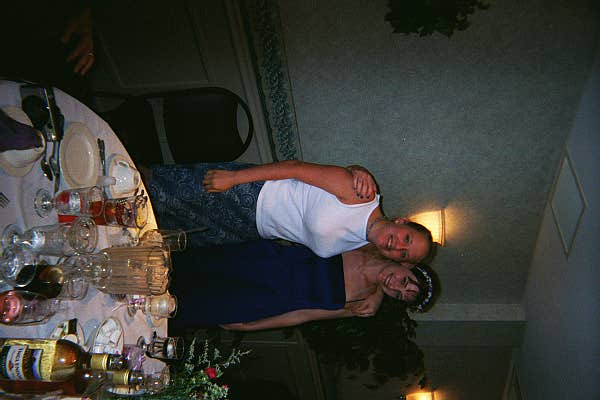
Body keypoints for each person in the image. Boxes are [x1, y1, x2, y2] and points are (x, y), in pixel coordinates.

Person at [148, 160, 433, 263]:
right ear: (402, 221)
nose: (398, 247)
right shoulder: (361, 193)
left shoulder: (361, 244)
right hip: (250, 192)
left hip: (250, 229)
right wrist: (234, 178)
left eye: (403, 254)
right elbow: (296, 168)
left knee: (163, 234)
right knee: (155, 189)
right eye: (406, 239)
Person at [168, 239, 438, 332]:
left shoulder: (363, 304)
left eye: (400, 295)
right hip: (261, 262)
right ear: (407, 265)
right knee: (179, 266)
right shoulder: (364, 243)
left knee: (181, 307)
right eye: (405, 280)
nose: (395, 286)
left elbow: (303, 315)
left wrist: (249, 326)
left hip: (261, 301)